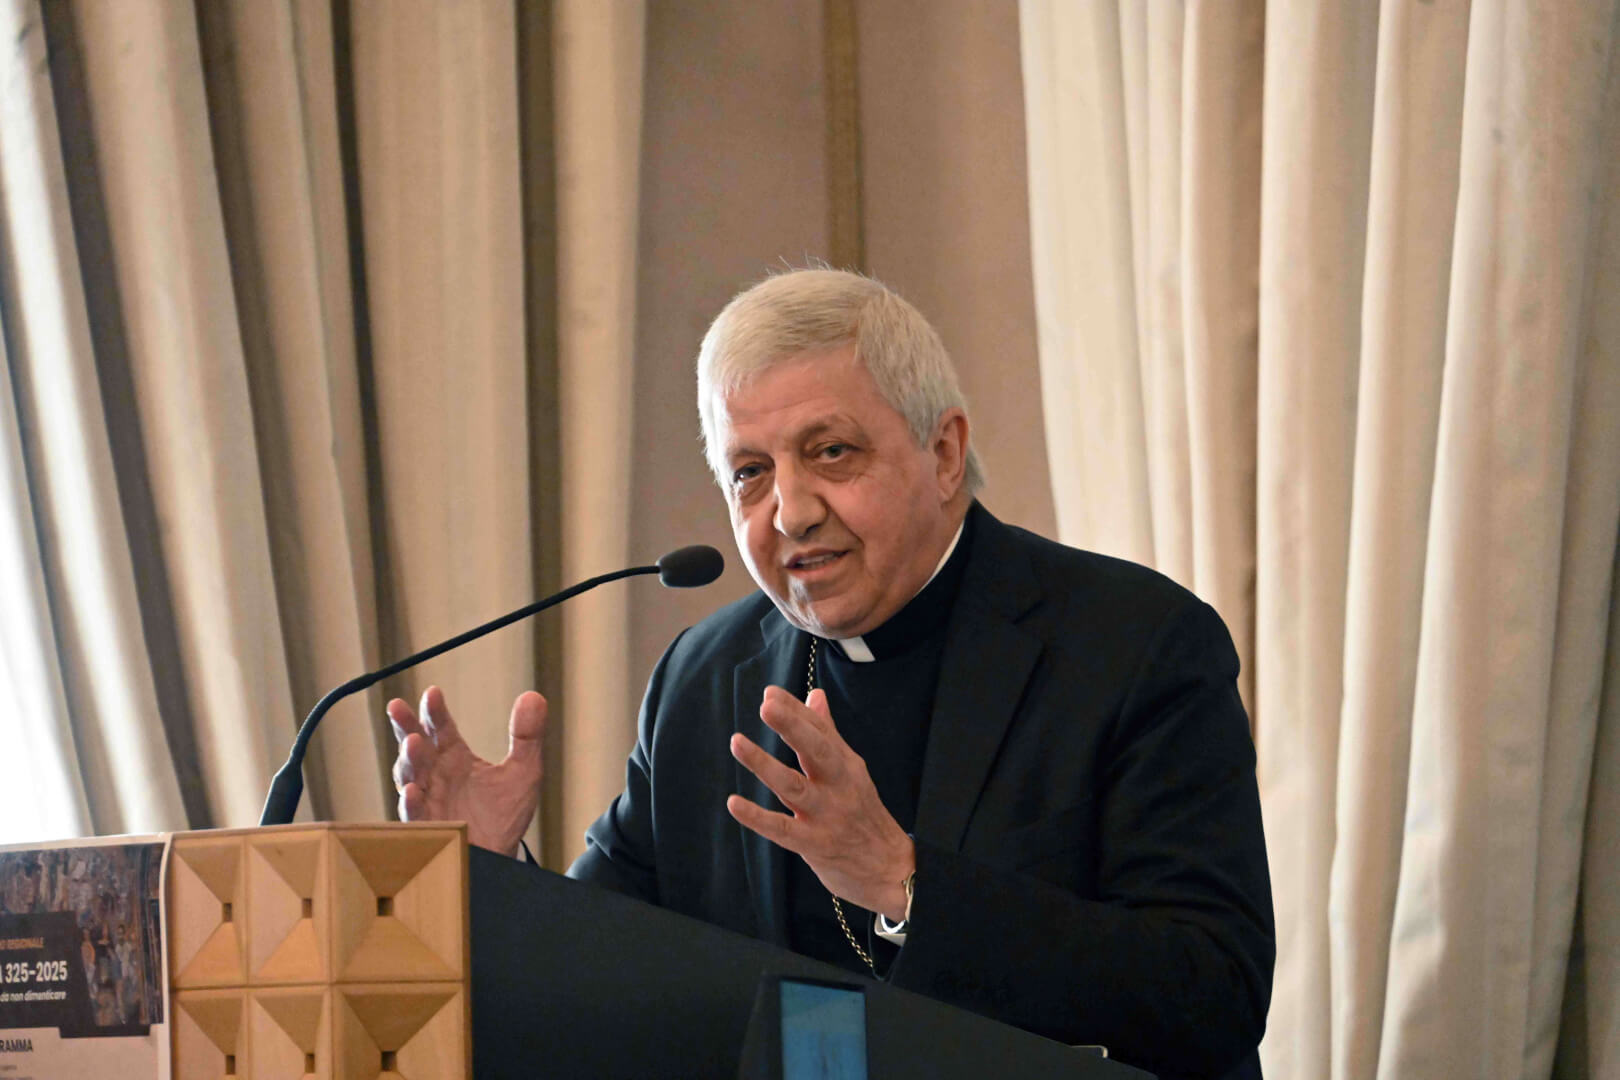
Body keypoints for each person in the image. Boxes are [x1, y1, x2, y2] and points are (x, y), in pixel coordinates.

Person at [389, 269, 1274, 1079]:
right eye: (750, 473)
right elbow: (613, 970)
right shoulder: (704, 679)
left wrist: (903, 883)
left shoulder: (1133, 643)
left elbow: (1215, 993)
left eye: (831, 452)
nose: (792, 512)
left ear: (944, 453)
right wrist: (492, 883)